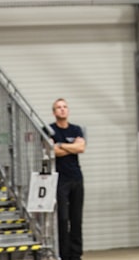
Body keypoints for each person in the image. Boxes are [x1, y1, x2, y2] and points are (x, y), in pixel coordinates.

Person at [50, 98, 85, 260]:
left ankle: (76, 254)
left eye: (65, 107)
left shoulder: (76, 129)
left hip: (76, 178)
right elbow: (52, 152)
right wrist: (71, 148)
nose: (62, 110)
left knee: (76, 218)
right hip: (60, 180)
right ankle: (64, 254)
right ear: (54, 112)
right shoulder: (49, 130)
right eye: (59, 107)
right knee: (63, 219)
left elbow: (81, 147)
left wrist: (61, 145)